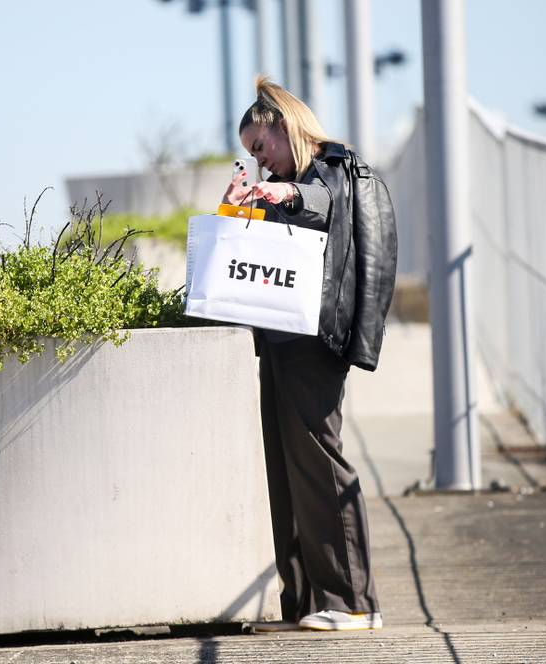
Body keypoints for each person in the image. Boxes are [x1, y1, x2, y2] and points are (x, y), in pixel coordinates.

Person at [222, 75, 386, 632]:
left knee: (320, 465)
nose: (259, 161)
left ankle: (354, 602)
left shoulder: (332, 169)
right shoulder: (284, 182)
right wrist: (236, 211)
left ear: (283, 125)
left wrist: (284, 195)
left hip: (315, 344)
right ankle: (305, 602)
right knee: (288, 472)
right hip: (280, 342)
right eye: (251, 155)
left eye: (259, 146)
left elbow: (324, 205)